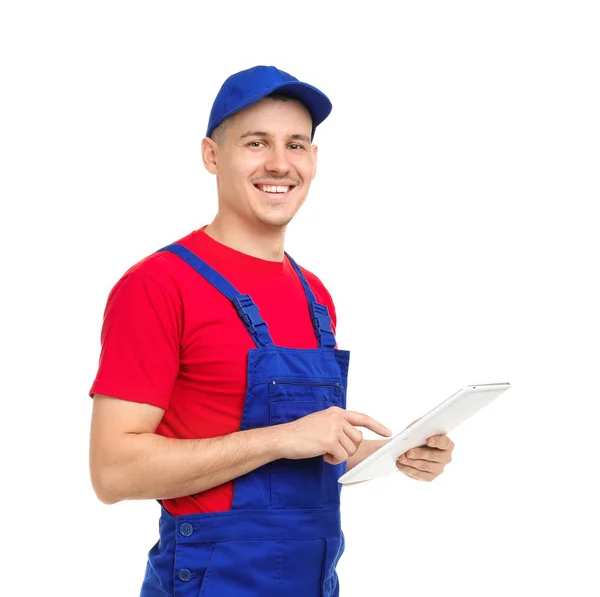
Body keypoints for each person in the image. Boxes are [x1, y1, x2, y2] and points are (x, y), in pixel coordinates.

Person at [88, 65, 455, 597]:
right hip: (214, 579)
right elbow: (113, 471)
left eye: (297, 145)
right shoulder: (158, 285)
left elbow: (307, 452)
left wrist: (398, 448)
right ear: (212, 156)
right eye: (257, 143)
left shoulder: (315, 296)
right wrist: (281, 438)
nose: (280, 164)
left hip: (314, 577)